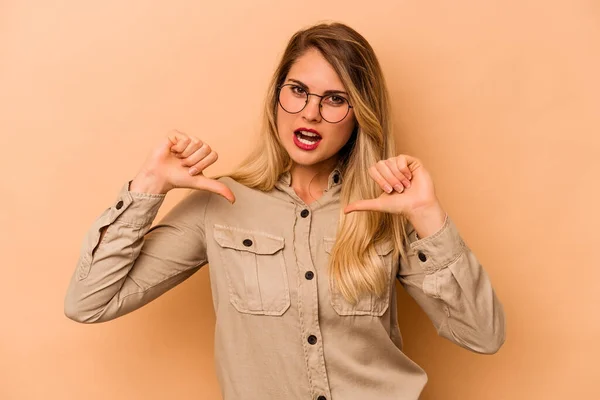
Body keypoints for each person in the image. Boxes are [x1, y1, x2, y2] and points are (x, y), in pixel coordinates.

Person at [64, 22, 505, 400]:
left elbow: (483, 335)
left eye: (335, 99)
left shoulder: (387, 209)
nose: (310, 113)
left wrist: (428, 215)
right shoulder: (218, 205)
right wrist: (148, 186)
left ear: (359, 115)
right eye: (298, 91)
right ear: (277, 97)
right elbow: (88, 302)